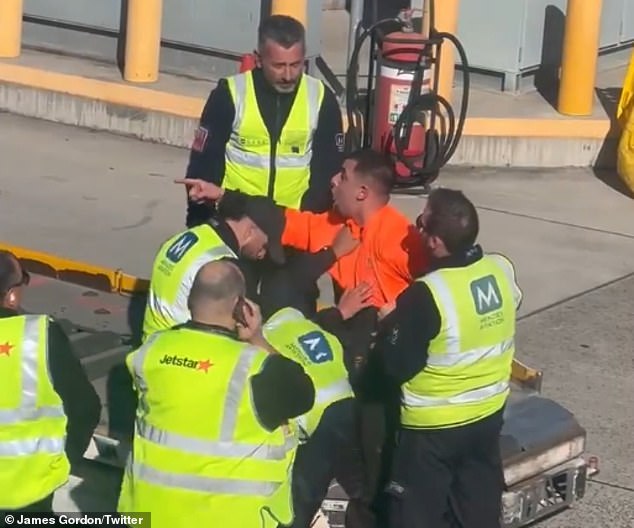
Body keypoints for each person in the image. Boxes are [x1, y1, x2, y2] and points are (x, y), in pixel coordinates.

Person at [118, 260, 315, 528]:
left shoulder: (152, 351)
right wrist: (257, 338)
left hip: (146, 516)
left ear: (190, 300)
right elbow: (304, 392)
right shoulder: (255, 368)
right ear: (240, 306)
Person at [376, 189, 523, 528]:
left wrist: (389, 327)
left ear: (435, 242)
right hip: (486, 419)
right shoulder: (499, 270)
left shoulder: (427, 293)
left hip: (433, 431)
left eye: (421, 225)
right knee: (476, 512)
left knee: (414, 515)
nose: (415, 232)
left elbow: (395, 366)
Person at [184, 14, 344, 228]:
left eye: (296, 65)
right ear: (258, 59)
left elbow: (329, 171)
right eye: (278, 66)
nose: (288, 75)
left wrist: (308, 224)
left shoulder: (321, 98)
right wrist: (199, 223)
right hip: (236, 223)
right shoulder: (229, 95)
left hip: (294, 227)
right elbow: (203, 166)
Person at [260, 256, 375, 528]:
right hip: (343, 408)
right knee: (360, 489)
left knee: (298, 498)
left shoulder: (268, 331)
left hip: (313, 421)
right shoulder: (309, 329)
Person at [0, 250, 101, 517]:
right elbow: (85, 407)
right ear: (11, 294)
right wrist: (62, 464)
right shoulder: (38, 336)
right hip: (29, 494)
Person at [142, 192, 286, 341]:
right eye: (264, 246)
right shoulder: (226, 268)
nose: (262, 254)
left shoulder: (191, 236)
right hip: (183, 353)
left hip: (152, 343)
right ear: (250, 231)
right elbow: (249, 325)